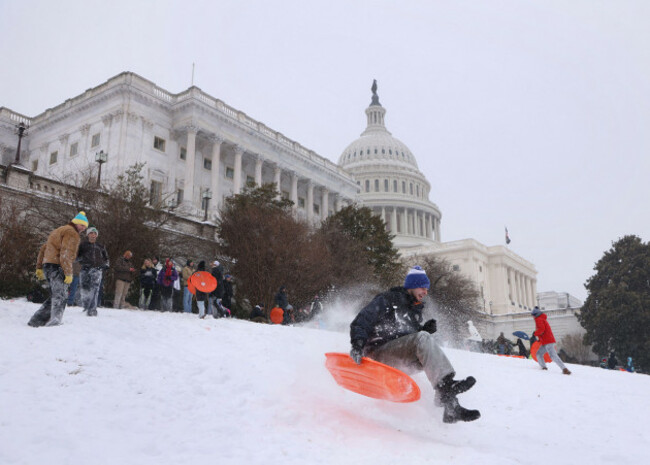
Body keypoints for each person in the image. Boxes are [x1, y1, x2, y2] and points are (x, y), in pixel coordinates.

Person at [349, 266, 480, 423]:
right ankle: (446, 390)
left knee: (428, 352)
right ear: (411, 286)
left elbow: (405, 338)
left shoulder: (415, 310)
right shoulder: (388, 300)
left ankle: (450, 405)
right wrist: (357, 345)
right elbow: (362, 320)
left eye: (427, 289)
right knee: (423, 339)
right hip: (377, 355)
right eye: (422, 287)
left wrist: (422, 329)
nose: (425, 292)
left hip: (397, 361)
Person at [28, 211, 88, 327]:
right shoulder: (72, 233)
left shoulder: (58, 230)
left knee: (56, 295)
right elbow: (66, 253)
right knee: (61, 296)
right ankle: (55, 321)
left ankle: (36, 320)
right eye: (82, 225)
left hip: (48, 265)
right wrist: (68, 272)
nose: (83, 229)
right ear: (76, 223)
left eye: (85, 227)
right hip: (57, 266)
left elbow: (44, 248)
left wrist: (39, 267)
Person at [76, 226, 109, 317]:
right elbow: (77, 256)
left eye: (95, 233)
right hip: (85, 269)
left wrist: (105, 265)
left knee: (95, 289)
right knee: (84, 289)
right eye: (91, 233)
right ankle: (86, 306)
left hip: (97, 269)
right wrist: (82, 260)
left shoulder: (100, 246)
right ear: (88, 235)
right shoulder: (83, 245)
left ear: (97, 235)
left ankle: (92, 309)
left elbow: (106, 258)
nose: (93, 235)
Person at [530, 306, 571, 375]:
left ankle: (564, 369)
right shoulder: (542, 318)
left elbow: (541, 330)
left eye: (533, 315)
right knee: (539, 354)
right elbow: (543, 330)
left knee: (553, 356)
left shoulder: (538, 319)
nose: (533, 317)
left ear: (535, 315)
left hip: (547, 341)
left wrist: (535, 333)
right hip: (546, 341)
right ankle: (544, 368)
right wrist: (539, 338)